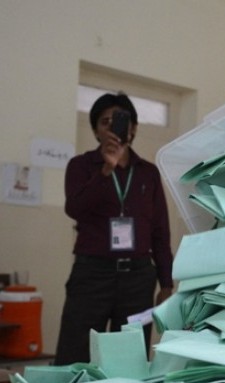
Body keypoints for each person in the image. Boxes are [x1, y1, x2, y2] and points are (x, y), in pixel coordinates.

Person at [54, 92, 174, 365]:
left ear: (133, 128)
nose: (113, 127)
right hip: (91, 275)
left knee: (128, 360)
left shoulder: (148, 173)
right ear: (96, 131)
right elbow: (75, 209)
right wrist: (105, 171)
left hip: (138, 278)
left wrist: (166, 283)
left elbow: (160, 231)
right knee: (75, 353)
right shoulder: (81, 166)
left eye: (120, 120)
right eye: (105, 121)